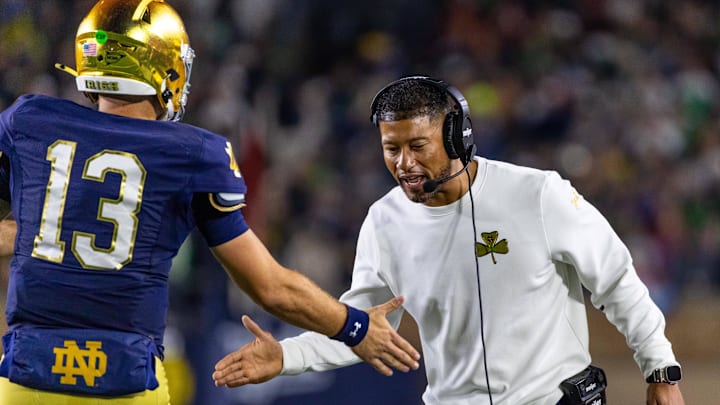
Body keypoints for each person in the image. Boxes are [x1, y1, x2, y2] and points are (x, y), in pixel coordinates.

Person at [0, 1, 421, 404]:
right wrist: (356, 327)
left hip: (25, 378)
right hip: (122, 384)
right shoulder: (192, 152)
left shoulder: (30, 122)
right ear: (162, 66)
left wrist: (35, 235)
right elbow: (271, 288)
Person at [212, 76, 686, 405]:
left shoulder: (538, 195)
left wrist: (660, 370)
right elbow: (362, 327)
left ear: (458, 138)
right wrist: (286, 355)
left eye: (417, 147)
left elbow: (618, 282)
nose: (403, 163)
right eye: (391, 149)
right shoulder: (383, 222)